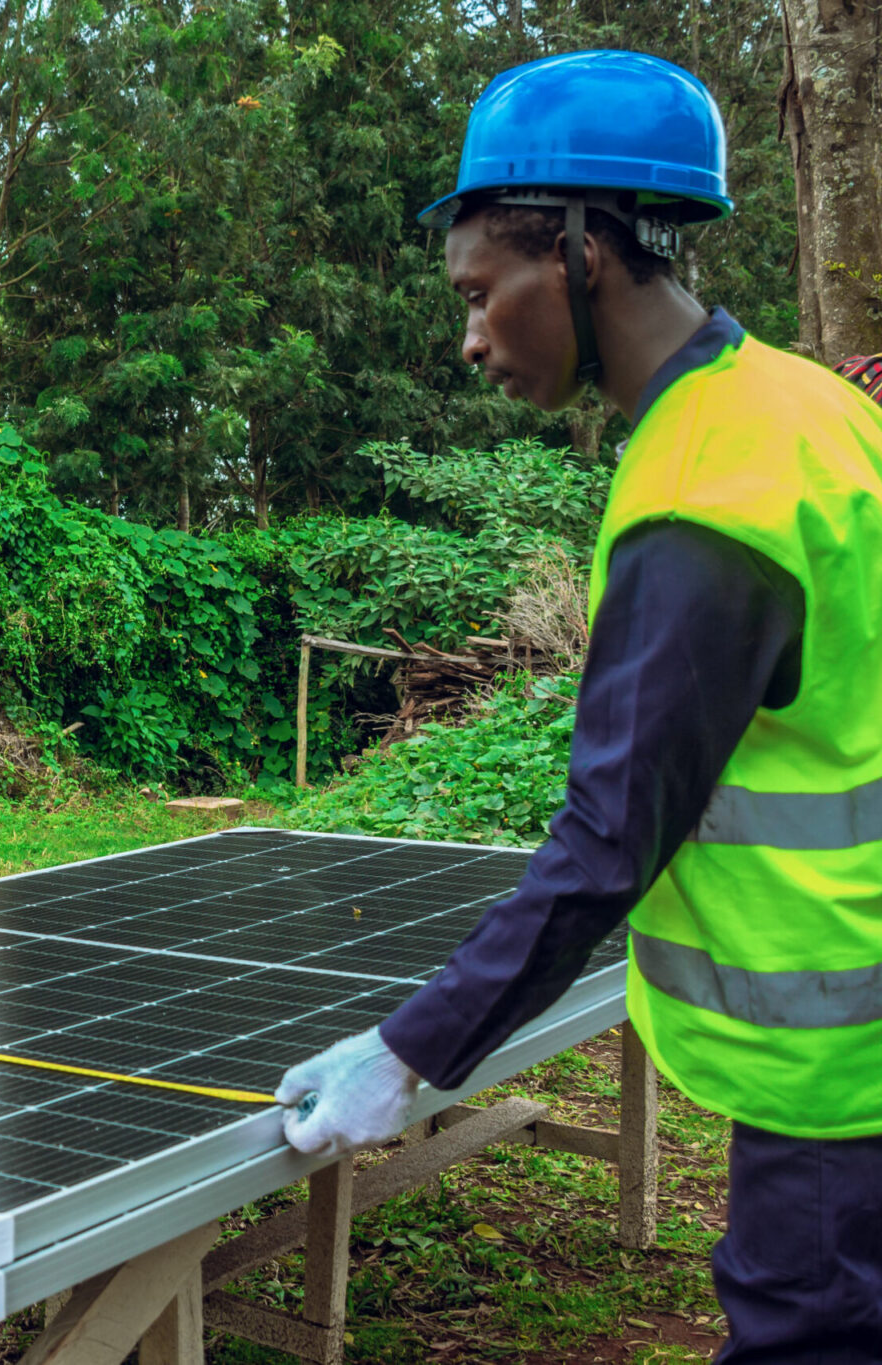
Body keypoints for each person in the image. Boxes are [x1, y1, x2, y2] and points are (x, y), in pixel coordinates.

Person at [276, 51, 882, 1361]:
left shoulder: (706, 493)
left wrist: (410, 1053)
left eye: (486, 292)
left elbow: (614, 833)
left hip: (841, 1083)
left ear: (581, 254)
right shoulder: (806, 404)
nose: (472, 335)